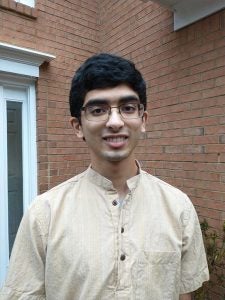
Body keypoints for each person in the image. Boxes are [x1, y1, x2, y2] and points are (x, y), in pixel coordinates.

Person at [0, 53, 209, 300]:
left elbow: (184, 294)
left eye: (128, 108)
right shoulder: (43, 215)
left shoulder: (178, 207)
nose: (115, 121)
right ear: (78, 126)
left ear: (142, 120)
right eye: (98, 110)